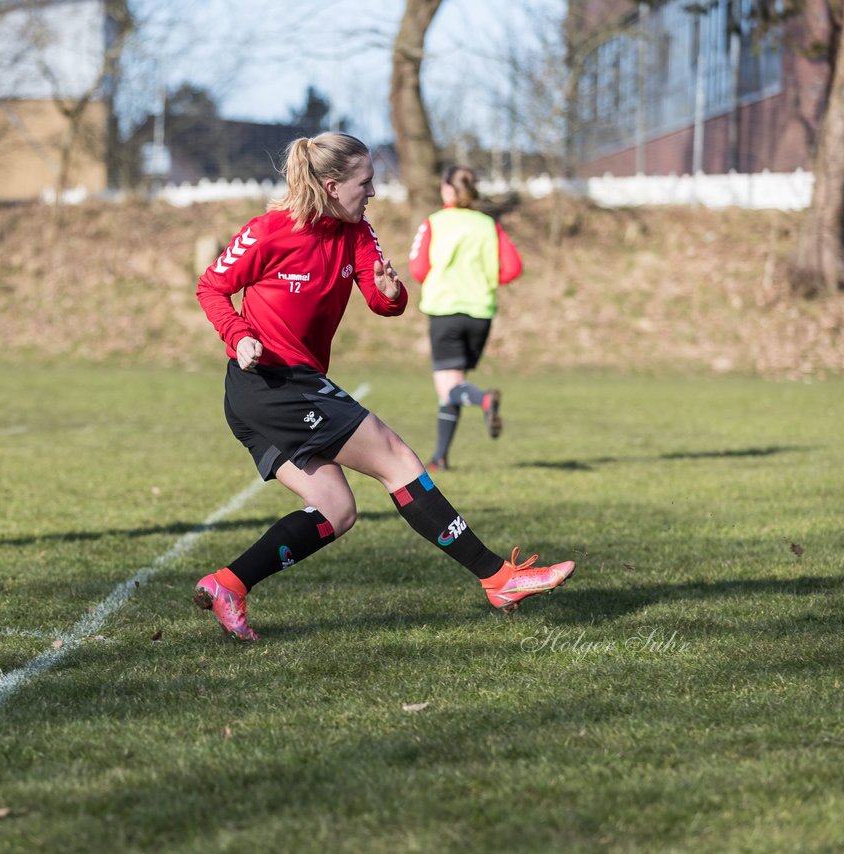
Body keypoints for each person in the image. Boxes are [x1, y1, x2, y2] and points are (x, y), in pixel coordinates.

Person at [193, 132, 573, 641]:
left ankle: (229, 585)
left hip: (288, 386)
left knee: (336, 510)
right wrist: (239, 336)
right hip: (268, 383)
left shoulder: (357, 232)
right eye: (365, 183)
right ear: (331, 186)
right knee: (396, 457)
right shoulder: (269, 232)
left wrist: (392, 293)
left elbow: (381, 296)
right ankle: (497, 577)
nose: (373, 192)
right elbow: (211, 286)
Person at [408, 165, 523, 472]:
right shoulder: (489, 225)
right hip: (480, 314)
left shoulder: (434, 223)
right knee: (454, 384)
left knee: (449, 388)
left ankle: (484, 399)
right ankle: (440, 457)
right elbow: (513, 267)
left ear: (447, 190)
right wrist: (484, 281)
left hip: (445, 310)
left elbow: (418, 268)